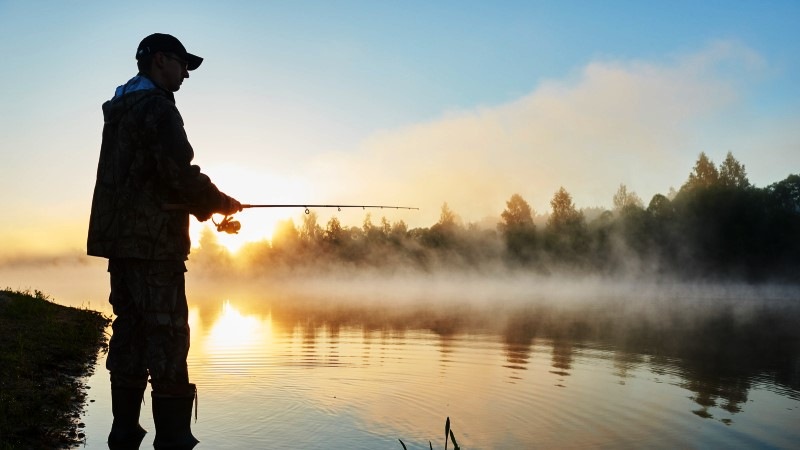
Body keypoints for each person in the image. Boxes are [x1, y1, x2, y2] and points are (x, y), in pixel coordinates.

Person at [87, 33, 242, 449]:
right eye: (182, 64)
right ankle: (174, 439)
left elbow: (147, 176)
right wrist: (221, 202)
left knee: (131, 330)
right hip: (155, 245)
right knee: (169, 335)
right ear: (160, 61)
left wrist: (204, 205)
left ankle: (123, 432)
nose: (186, 73)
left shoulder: (121, 109)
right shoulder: (157, 107)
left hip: (121, 242)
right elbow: (176, 172)